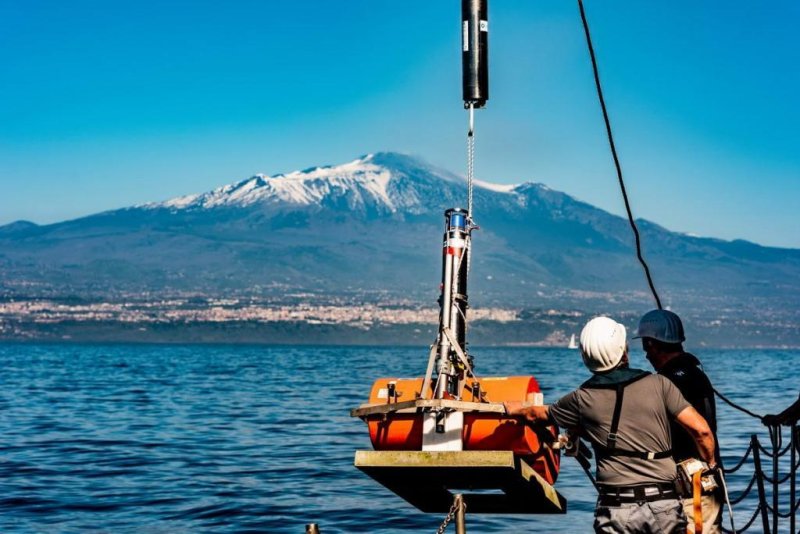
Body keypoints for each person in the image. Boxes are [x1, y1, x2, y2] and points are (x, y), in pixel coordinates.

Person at [506, 316, 717, 534]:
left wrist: (514, 409)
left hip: (615, 506)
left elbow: (537, 414)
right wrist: (710, 464)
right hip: (662, 504)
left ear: (586, 356)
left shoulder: (580, 399)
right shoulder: (660, 384)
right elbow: (701, 431)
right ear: (623, 350)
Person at [635, 309, 722, 533]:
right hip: (701, 483)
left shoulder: (666, 383)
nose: (646, 354)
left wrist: (708, 465)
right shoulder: (696, 374)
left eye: (646, 345)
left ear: (653, 344)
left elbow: (701, 432)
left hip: (691, 485)